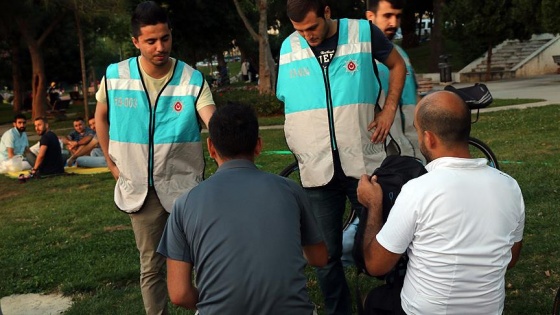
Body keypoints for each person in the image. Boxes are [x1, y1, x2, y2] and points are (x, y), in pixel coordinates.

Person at [276, 0, 406, 313]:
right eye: (300, 30)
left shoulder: (362, 32)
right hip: (316, 168)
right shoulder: (288, 47)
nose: (308, 36)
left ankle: (396, 302)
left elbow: (397, 65)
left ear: (327, 12)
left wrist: (388, 110)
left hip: (363, 162)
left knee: (386, 242)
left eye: (312, 27)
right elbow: (290, 100)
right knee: (325, 255)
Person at [94, 2, 216, 314]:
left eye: (165, 38)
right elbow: (101, 117)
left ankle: (213, 309)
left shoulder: (192, 79)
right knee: (150, 267)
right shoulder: (115, 76)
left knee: (203, 259)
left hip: (185, 189)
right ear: (135, 41)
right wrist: (112, 165)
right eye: (150, 41)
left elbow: (214, 125)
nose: (159, 47)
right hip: (139, 190)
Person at [357, 91, 525, 314]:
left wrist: (374, 204)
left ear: (429, 138)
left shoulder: (419, 190)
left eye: (417, 131)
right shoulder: (510, 186)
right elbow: (510, 258)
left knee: (373, 299)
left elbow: (376, 264)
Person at [158, 103, 328, 314]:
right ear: (258, 146)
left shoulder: (185, 203)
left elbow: (179, 293)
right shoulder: (291, 191)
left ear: (211, 148)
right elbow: (319, 258)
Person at [366, 0, 423, 162]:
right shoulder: (363, 57)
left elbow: (414, 96)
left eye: (397, 16)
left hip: (417, 149)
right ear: (370, 17)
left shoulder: (400, 54)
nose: (393, 23)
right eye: (387, 16)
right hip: (389, 153)